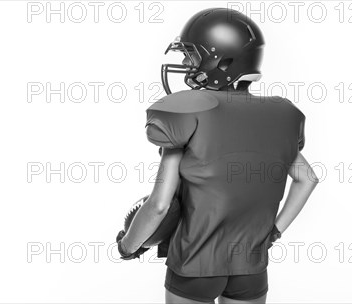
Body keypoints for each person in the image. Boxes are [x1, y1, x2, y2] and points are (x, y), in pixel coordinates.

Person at [116, 8, 319, 304]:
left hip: (194, 264)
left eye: (192, 56)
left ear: (221, 60)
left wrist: (127, 246)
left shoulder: (188, 112)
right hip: (250, 266)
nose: (186, 64)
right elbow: (308, 178)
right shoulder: (280, 116)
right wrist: (274, 231)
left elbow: (159, 205)